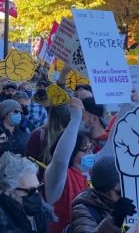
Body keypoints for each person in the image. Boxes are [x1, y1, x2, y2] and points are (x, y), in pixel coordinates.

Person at [0, 152, 57, 233]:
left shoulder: (40, 214)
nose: (37, 195)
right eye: (31, 191)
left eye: (38, 188)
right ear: (9, 193)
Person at [44, 97, 91, 233]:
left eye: (90, 148)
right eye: (85, 150)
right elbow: (60, 160)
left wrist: (127, 106)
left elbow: (111, 148)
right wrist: (75, 119)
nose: (91, 153)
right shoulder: (57, 176)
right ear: (71, 153)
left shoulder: (90, 174)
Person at [70, 157, 137, 233]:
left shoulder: (128, 208)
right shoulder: (83, 210)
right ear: (115, 185)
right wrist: (115, 219)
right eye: (125, 179)